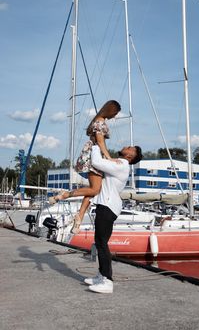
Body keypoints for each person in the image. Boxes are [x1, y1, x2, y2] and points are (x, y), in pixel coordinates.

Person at [49, 100, 121, 234]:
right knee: (94, 190)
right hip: (96, 155)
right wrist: (109, 158)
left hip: (96, 154)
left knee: (93, 190)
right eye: (115, 113)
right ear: (111, 110)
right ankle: (64, 196)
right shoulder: (100, 122)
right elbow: (100, 141)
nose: (115, 116)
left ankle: (79, 217)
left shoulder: (98, 120)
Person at [84, 143, 142, 294]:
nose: (127, 146)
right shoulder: (118, 163)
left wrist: (96, 146)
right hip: (108, 206)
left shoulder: (122, 164)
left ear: (130, 156)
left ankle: (107, 281)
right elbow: (103, 162)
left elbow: (96, 162)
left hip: (108, 207)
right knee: (100, 242)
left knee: (102, 243)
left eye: (130, 148)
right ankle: (101, 275)